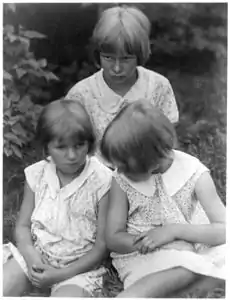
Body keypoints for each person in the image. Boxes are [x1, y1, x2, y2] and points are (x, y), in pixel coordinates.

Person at [100, 99, 226, 298]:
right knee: (187, 267)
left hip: (193, 244)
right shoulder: (121, 179)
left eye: (126, 164)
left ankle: (193, 281)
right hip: (143, 254)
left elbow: (224, 230)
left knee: (220, 257)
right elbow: (114, 237)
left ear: (153, 155)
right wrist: (154, 242)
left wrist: (175, 231)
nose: (119, 170)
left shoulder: (193, 172)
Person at [3, 99, 112, 297]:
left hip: (77, 269)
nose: (72, 155)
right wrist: (31, 258)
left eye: (79, 145)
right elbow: (23, 226)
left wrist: (60, 275)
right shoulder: (37, 175)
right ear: (46, 147)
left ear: (90, 142)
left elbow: (101, 248)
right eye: (61, 148)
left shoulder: (102, 180)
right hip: (36, 257)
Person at [65, 5, 179, 165]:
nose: (117, 68)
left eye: (126, 59)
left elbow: (168, 142)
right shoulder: (81, 94)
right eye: (108, 58)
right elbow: (70, 146)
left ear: (139, 55)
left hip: (147, 174)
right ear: (98, 54)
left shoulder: (158, 87)